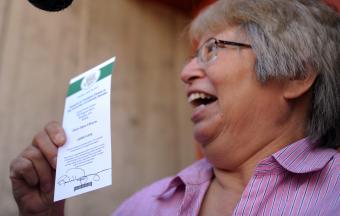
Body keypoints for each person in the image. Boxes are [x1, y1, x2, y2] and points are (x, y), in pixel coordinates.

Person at [9, 0, 340, 215]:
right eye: (192, 57)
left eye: (212, 50)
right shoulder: (142, 206)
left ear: (296, 75)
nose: (185, 73)